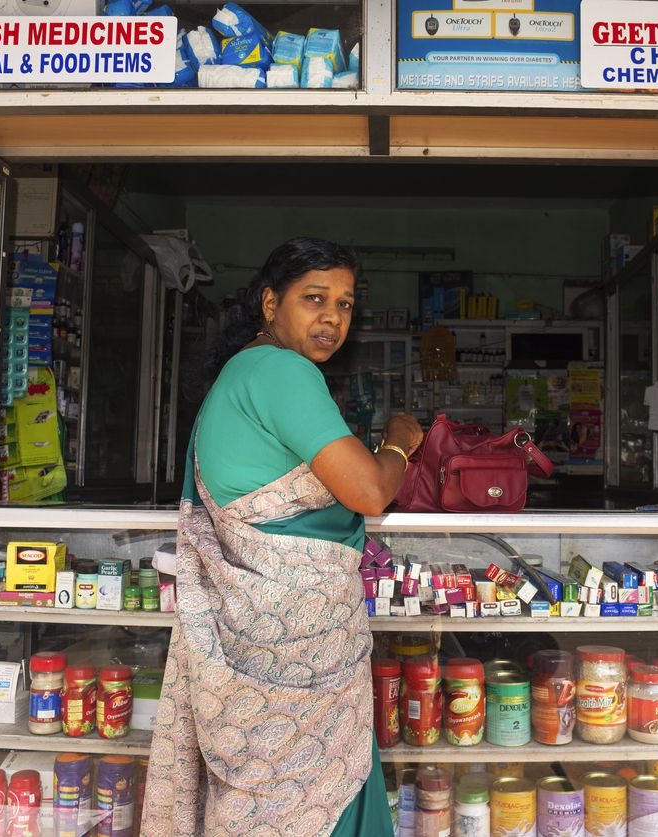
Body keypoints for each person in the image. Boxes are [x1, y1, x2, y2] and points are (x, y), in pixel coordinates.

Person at [143, 238, 423, 837]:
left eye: (346, 304)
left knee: (261, 811)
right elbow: (371, 490)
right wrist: (400, 441)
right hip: (297, 654)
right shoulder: (280, 371)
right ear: (270, 303)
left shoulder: (241, 373)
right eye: (314, 298)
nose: (332, 317)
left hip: (254, 650)